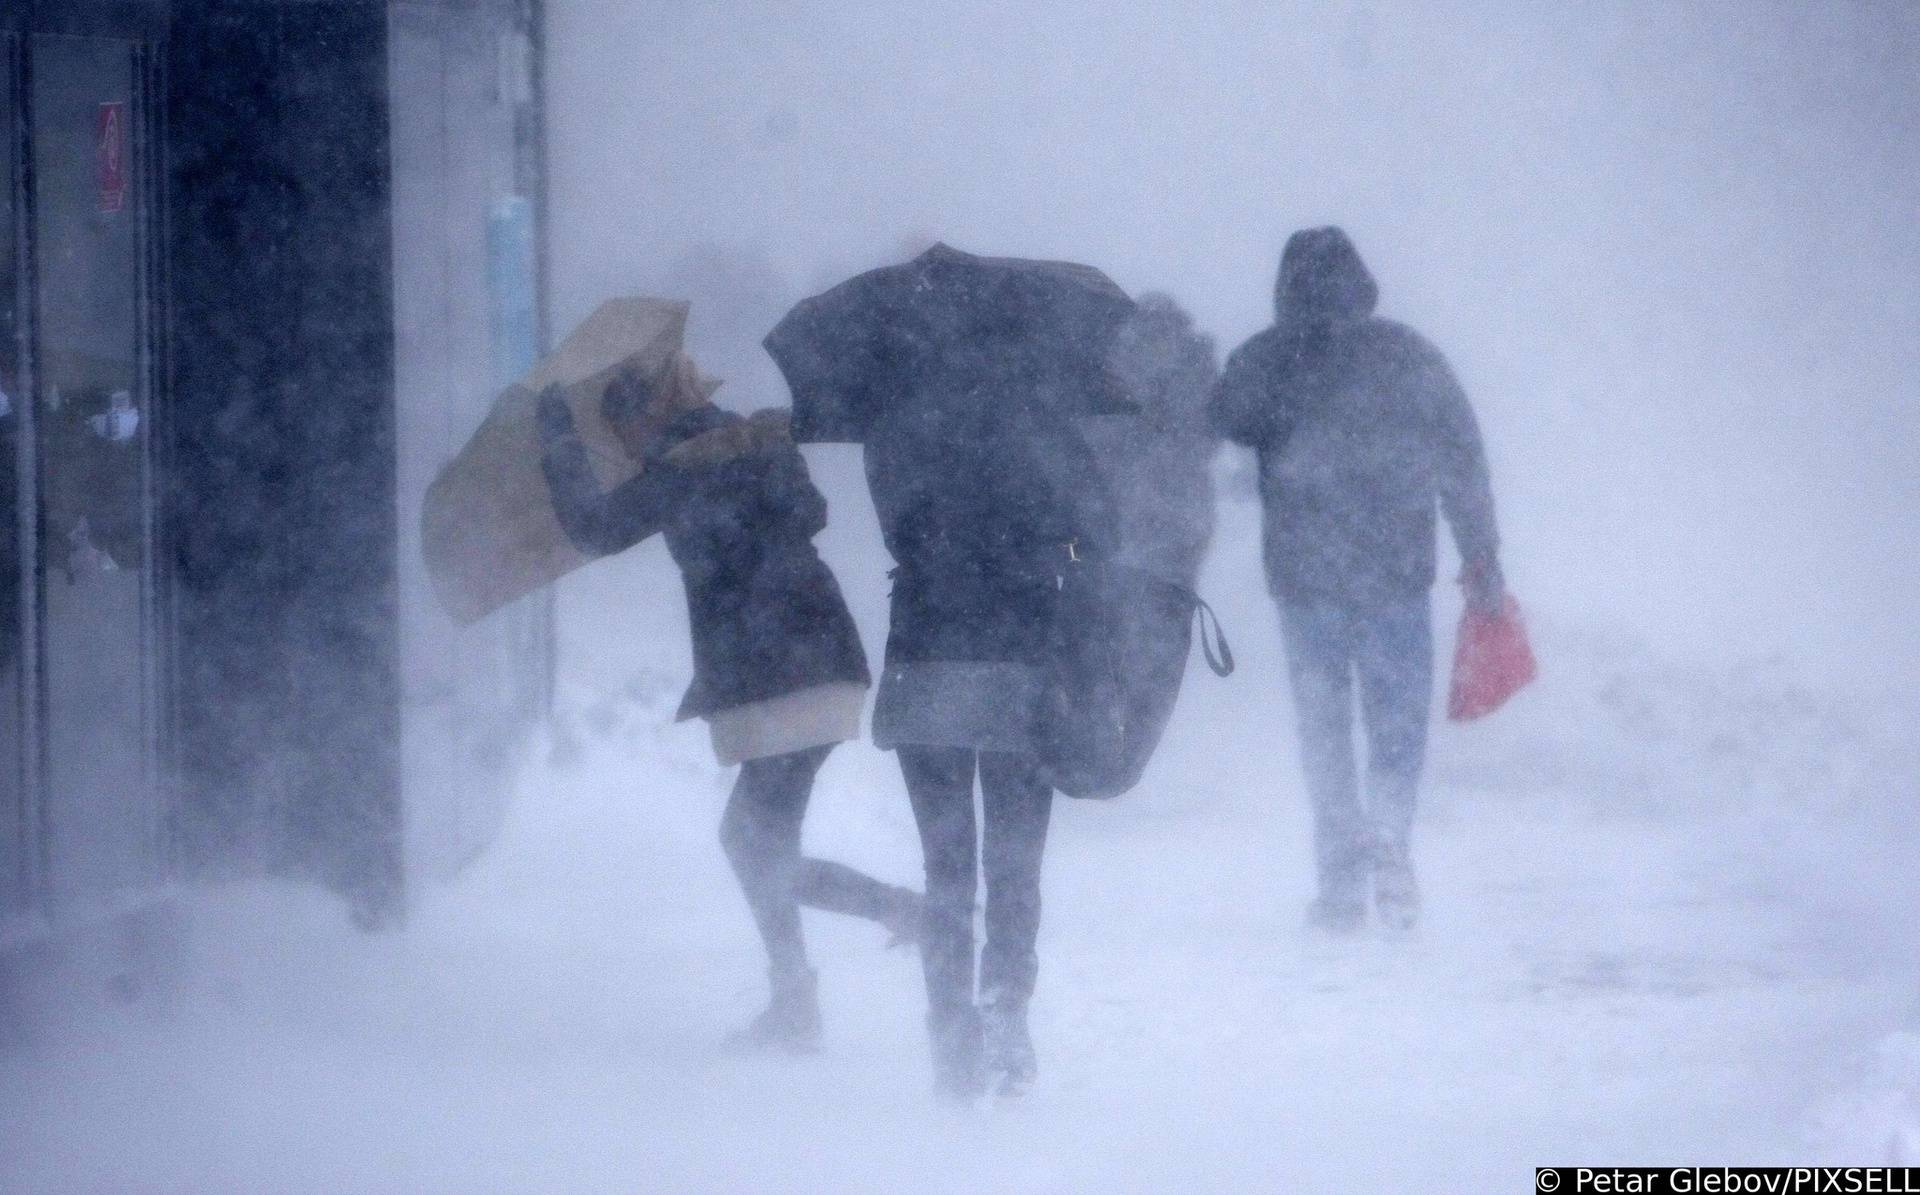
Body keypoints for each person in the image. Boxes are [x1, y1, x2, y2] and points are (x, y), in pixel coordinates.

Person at [537, 353, 919, 1051]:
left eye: (621, 424)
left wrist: (558, 437)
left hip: (778, 668)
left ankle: (881, 935)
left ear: (648, 411)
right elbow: (802, 517)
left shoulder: (685, 468)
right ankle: (812, 987)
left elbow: (594, 528)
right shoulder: (749, 443)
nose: (621, 443)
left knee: (754, 844)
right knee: (756, 843)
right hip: (817, 655)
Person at [1210, 227, 1504, 933]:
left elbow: (1220, 418)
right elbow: (1462, 458)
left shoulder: (1268, 358)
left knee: (1325, 733)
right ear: (1362, 283)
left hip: (1307, 583)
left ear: (1284, 288)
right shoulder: (1409, 356)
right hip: (1394, 574)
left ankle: (1340, 884)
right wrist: (1482, 556)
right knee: (1396, 724)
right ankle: (1392, 842)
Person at [864, 383, 1114, 1101]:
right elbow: (1099, 530)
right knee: (1014, 859)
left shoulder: (897, 420)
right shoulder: (1041, 418)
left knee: (946, 863)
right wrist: (1051, 542)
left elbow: (898, 526)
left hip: (926, 661)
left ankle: (950, 1029)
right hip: (1018, 661)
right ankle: (1006, 1008)